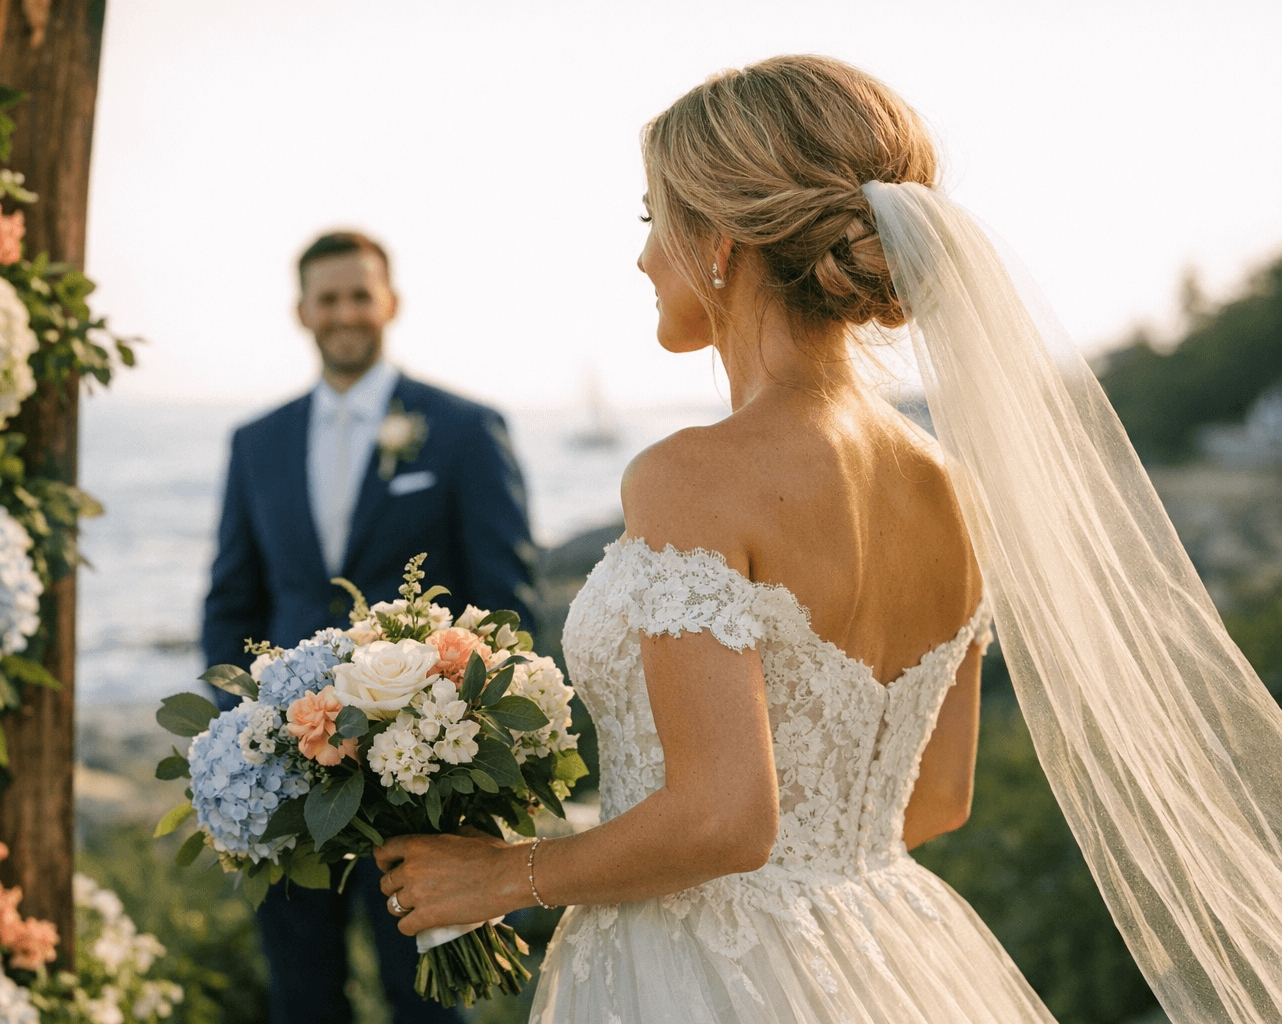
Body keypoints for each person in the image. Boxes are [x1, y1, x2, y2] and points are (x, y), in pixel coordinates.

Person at [370, 56, 1282, 1023]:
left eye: (653, 222)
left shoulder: (691, 476)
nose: (643, 260)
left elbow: (725, 818)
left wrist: (509, 875)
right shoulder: (952, 486)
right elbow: (933, 802)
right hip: (891, 951)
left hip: (702, 977)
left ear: (719, 240)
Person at [201, 230, 536, 1024]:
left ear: (389, 302)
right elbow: (230, 601)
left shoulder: (462, 429)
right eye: (329, 298)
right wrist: (238, 736)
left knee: (424, 999)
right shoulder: (256, 443)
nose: (345, 312)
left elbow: (503, 598)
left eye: (360, 294)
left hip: (418, 780)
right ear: (302, 312)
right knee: (303, 993)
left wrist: (468, 747)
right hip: (287, 777)